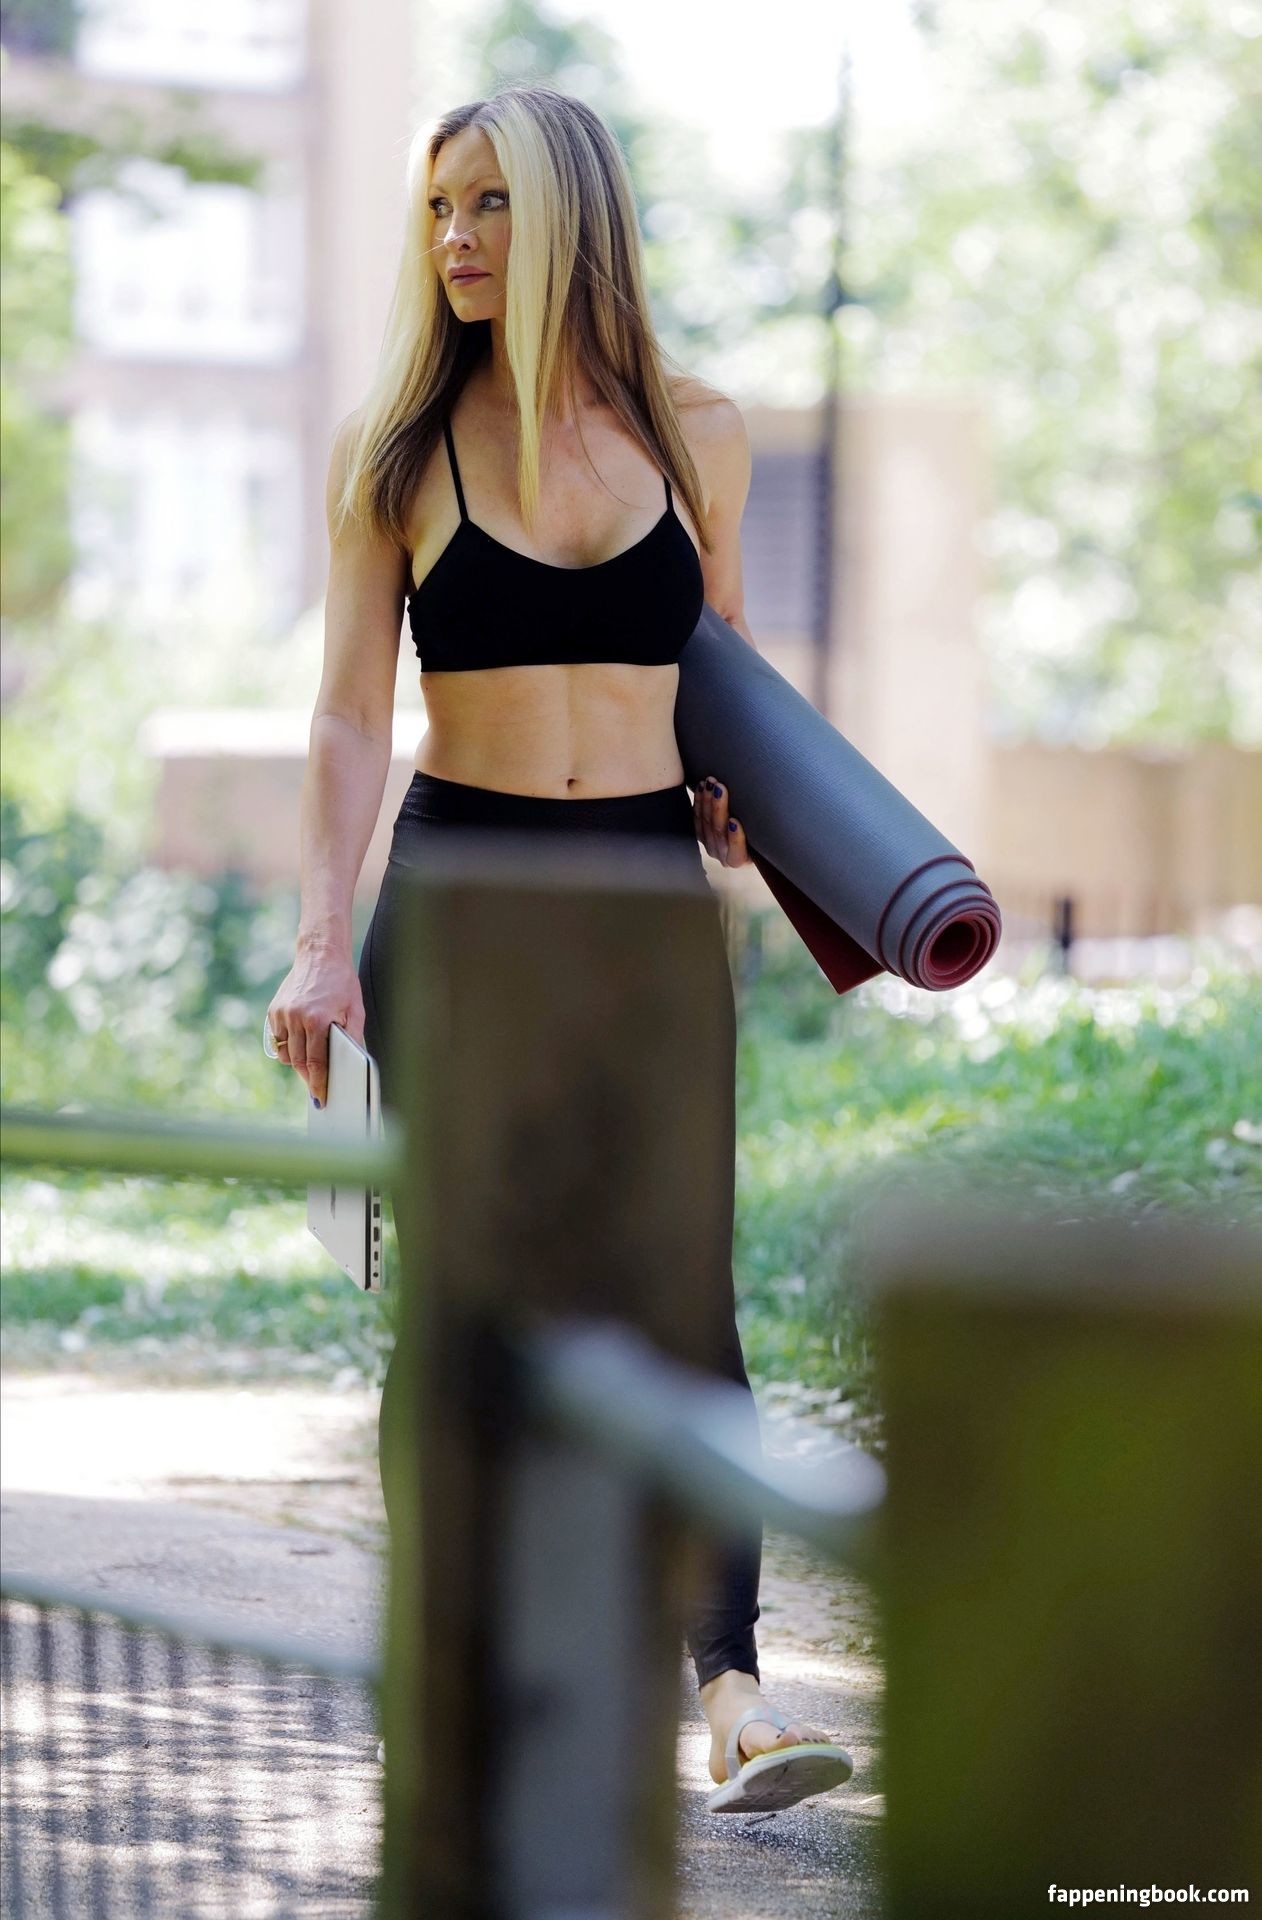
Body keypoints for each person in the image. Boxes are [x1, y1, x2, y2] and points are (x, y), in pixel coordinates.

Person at [265, 82, 847, 1809]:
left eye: (490, 203)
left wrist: (736, 799)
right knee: (461, 1299)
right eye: (438, 208)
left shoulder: (697, 434)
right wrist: (319, 942)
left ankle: (732, 1689)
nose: (455, 237)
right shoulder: (396, 448)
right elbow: (346, 719)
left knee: (685, 1289)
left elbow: (717, 663)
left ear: (570, 216)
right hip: (462, 888)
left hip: (647, 890)